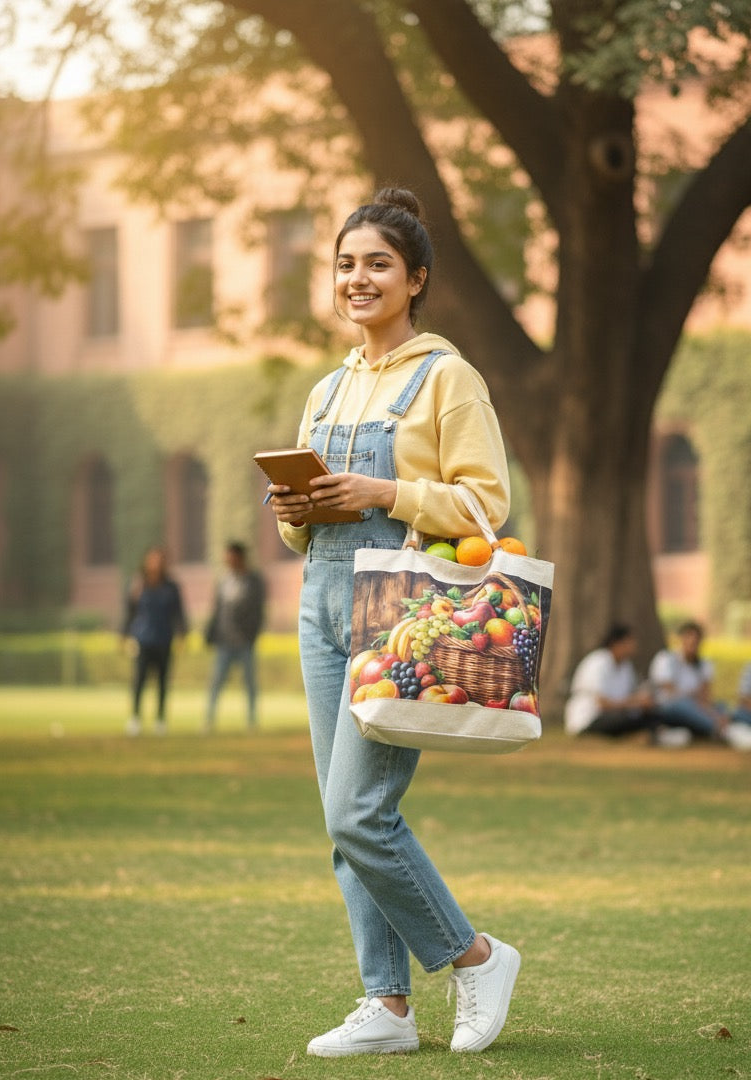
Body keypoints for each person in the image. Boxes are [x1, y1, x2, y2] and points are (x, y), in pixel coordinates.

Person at [266, 188, 520, 1057]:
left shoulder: (447, 377)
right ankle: (388, 1008)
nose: (357, 279)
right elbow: (296, 531)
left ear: (415, 279)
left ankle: (476, 956)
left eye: (377, 264)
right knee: (343, 822)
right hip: (321, 607)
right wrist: (294, 506)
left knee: (357, 813)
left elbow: (486, 503)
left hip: (401, 611)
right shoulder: (328, 389)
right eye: (345, 264)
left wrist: (385, 491)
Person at [564, 622, 680, 742]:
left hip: (617, 714)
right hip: (590, 718)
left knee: (652, 714)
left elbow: (629, 696)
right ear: (616, 643)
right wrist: (636, 703)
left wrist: (643, 701)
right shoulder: (598, 663)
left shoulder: (626, 666)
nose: (634, 646)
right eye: (629, 642)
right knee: (628, 720)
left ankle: (657, 734)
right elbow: (603, 704)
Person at [121, 546, 187, 735]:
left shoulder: (171, 587)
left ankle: (160, 719)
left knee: (163, 682)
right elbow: (129, 612)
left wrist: (182, 633)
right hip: (143, 639)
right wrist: (124, 635)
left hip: (164, 639)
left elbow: (179, 613)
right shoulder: (137, 585)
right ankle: (135, 718)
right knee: (139, 681)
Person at [204, 541, 266, 732]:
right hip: (224, 641)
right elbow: (216, 610)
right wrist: (209, 633)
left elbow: (258, 611)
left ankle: (251, 720)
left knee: (249, 683)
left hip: (244, 641)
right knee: (216, 682)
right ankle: (209, 720)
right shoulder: (223, 581)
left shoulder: (254, 581)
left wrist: (252, 635)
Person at [648, 621, 728, 740]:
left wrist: (710, 710)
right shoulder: (666, 659)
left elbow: (705, 695)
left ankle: (719, 726)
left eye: (695, 640)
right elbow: (671, 692)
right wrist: (694, 698)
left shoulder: (704, 665)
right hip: (669, 707)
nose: (692, 643)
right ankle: (716, 728)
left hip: (696, 705)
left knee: (723, 706)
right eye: (688, 638)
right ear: (681, 639)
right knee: (683, 705)